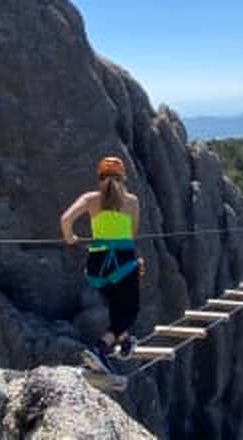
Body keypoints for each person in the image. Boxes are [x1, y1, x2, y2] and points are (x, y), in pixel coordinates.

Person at [60, 156, 144, 368]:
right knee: (129, 312)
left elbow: (66, 220)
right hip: (122, 263)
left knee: (116, 306)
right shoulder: (132, 201)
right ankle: (100, 347)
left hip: (97, 266)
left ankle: (124, 341)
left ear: (99, 177)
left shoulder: (90, 199)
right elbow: (131, 235)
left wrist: (70, 237)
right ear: (123, 177)